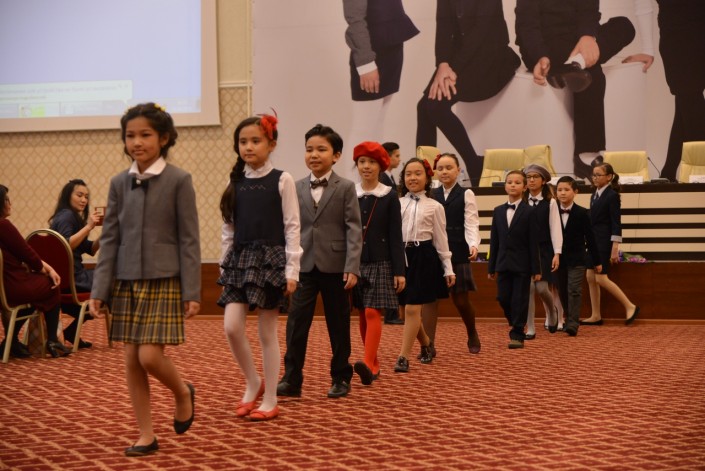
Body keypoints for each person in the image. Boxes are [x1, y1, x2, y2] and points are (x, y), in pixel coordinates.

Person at [88, 103, 200, 457]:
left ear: (163, 138)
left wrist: (192, 290)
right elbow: (109, 239)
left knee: (150, 357)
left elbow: (189, 239)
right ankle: (146, 435)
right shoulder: (118, 182)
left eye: (145, 135)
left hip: (165, 279)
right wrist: (99, 289)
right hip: (125, 281)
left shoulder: (179, 180)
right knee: (131, 360)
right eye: (130, 135)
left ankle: (182, 391)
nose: (136, 142)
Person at [218, 114, 302, 421]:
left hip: (271, 261)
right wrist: (224, 266)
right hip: (240, 261)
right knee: (231, 327)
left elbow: (292, 227)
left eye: (256, 141)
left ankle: (270, 398)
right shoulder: (235, 182)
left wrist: (292, 270)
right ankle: (253, 380)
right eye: (243, 142)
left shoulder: (282, 179)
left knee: (267, 333)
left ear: (271, 145)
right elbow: (228, 229)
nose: (248, 147)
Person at [277, 124, 362, 399]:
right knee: (296, 323)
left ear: (336, 155)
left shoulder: (345, 187)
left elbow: (354, 229)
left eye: (321, 149)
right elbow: (289, 227)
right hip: (303, 266)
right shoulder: (295, 186)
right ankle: (291, 378)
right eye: (309, 149)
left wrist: (352, 266)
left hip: (336, 266)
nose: (314, 155)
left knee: (338, 324)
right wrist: (287, 264)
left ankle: (341, 377)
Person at [515, 0, 637, 178]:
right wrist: (540, 55)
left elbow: (589, 9)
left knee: (624, 25)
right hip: (545, 44)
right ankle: (586, 155)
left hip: (576, 40)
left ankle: (575, 63)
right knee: (593, 74)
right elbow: (527, 24)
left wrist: (587, 36)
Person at [416, 0, 520, 184]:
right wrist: (442, 64)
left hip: (491, 58)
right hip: (460, 57)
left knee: (434, 107)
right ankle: (423, 172)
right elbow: (444, 25)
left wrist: (452, 69)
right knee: (424, 107)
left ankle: (473, 163)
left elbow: (481, 32)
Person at [343, 0, 419, 178]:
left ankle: (373, 185)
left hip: (392, 47)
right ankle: (352, 189)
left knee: (377, 125)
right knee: (363, 128)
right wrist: (365, 62)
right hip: (371, 53)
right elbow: (355, 18)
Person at [350, 141, 405, 385]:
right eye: (362, 162)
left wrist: (399, 271)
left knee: (373, 311)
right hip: (356, 262)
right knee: (363, 313)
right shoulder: (350, 193)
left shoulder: (389, 195)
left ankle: (366, 361)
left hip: (382, 261)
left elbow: (395, 235)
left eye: (372, 162)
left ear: (381, 165)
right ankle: (373, 363)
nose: (366, 166)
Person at [394, 158, 455, 373]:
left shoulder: (435, 206)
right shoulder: (396, 203)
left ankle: (403, 357)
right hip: (400, 257)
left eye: (418, 173)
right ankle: (427, 343)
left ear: (427, 178)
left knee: (413, 308)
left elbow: (441, 239)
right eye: (408, 174)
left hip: (423, 257)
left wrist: (448, 268)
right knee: (403, 312)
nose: (412, 178)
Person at [0, 185, 70, 359]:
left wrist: (46, 268)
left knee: (35, 295)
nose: (10, 203)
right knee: (51, 285)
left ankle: (11, 342)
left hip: (3, 287)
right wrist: (49, 271)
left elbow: (25, 254)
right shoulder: (3, 225)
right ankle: (52, 340)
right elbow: (28, 255)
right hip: (13, 285)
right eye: (7, 199)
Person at [424, 153, 481, 355]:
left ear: (458, 170)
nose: (444, 172)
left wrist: (473, 244)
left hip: (458, 250)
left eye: (449, 168)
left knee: (461, 300)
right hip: (434, 251)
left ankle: (472, 332)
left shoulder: (466, 194)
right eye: (440, 168)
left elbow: (471, 222)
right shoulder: (430, 193)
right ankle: (428, 345)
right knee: (431, 300)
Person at [581, 162, 640, 325]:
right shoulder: (594, 194)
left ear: (609, 177)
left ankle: (630, 306)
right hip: (593, 241)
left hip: (603, 242)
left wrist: (615, 247)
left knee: (601, 278)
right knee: (590, 277)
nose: (594, 178)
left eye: (598, 175)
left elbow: (616, 222)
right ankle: (596, 315)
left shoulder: (612, 195)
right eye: (593, 175)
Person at [487, 170, 540, 349]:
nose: (513, 185)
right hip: (502, 263)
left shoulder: (530, 211)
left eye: (517, 182)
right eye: (509, 182)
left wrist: (536, 269)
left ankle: (517, 333)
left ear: (524, 187)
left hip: (522, 264)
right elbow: (494, 241)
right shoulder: (498, 211)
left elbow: (533, 242)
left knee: (520, 299)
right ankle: (515, 320)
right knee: (503, 298)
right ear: (505, 186)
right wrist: (491, 267)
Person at [655, 0, 705, 181]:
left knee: (686, 104)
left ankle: (668, 173)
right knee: (689, 99)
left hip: (694, 31)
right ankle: (698, 170)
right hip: (677, 35)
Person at [49, 179, 102, 349]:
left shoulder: (70, 217)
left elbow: (90, 249)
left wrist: (107, 233)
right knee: (111, 282)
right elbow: (65, 245)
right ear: (68, 196)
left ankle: (72, 331)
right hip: (73, 278)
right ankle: (72, 331)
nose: (84, 200)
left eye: (86, 197)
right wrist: (89, 227)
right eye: (79, 195)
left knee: (109, 283)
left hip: (66, 279)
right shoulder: (67, 216)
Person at [554, 176, 602, 336]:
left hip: (577, 259)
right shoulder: (552, 212)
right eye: (559, 190)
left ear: (575, 192)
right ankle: (569, 318)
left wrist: (597, 261)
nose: (562, 193)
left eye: (566, 190)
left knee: (574, 289)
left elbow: (591, 239)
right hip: (558, 259)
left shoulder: (583, 213)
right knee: (562, 290)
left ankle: (573, 323)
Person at [523, 164, 562, 340]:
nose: (531, 180)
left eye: (535, 177)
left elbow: (555, 228)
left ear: (543, 181)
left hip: (544, 250)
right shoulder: (522, 201)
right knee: (529, 288)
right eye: (528, 177)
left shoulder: (550, 202)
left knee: (542, 288)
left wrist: (557, 253)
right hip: (525, 250)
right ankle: (530, 327)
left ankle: (552, 311)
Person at [380, 141, 404, 325]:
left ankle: (393, 313)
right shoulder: (382, 178)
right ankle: (391, 314)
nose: (399, 159)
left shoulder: (390, 177)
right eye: (396, 155)